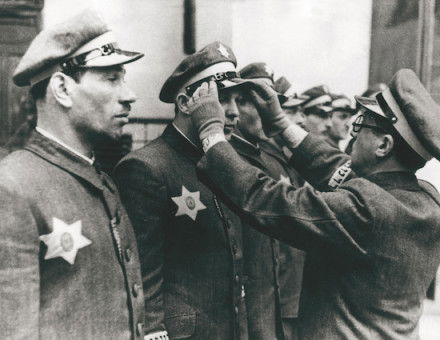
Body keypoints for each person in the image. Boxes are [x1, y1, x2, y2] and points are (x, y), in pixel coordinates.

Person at [187, 68, 440, 339]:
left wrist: (211, 134)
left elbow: (267, 200)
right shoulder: (426, 199)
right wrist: (282, 125)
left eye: (361, 125)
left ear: (383, 145)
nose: (352, 135)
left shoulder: (367, 209)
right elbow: (338, 171)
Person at [0, 9, 148, 339]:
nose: (129, 95)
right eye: (111, 78)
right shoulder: (10, 188)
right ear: (63, 89)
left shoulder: (101, 181)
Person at [114, 42, 249, 340]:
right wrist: (152, 332)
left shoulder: (225, 160)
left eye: (237, 100)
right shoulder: (145, 167)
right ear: (186, 102)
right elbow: (141, 274)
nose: (234, 112)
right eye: (223, 98)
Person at [233, 63, 305, 340]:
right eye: (256, 103)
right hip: (246, 307)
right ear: (236, 105)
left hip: (278, 300)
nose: (268, 114)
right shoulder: (226, 161)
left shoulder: (272, 160)